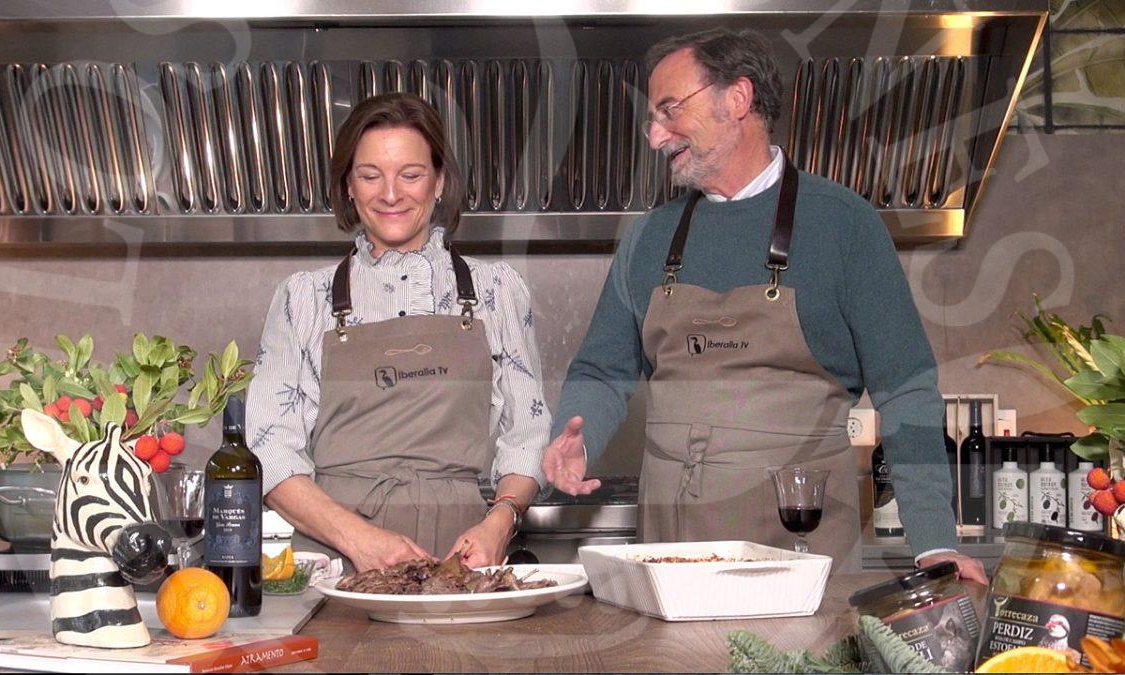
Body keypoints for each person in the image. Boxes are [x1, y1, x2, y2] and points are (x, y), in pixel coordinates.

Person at [541, 28, 987, 582]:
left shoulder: (843, 225)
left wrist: (934, 541)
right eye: (651, 120)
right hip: (671, 555)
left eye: (669, 110)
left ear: (737, 98)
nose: (655, 136)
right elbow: (600, 370)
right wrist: (576, 436)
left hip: (802, 553)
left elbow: (906, 389)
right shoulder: (649, 238)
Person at [248, 93, 549, 573]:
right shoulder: (302, 298)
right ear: (348, 186)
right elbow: (268, 448)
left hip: (462, 562)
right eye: (370, 176)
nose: (391, 194)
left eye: (410, 174)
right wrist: (359, 540)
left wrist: (500, 522)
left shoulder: (497, 290)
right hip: (340, 562)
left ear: (439, 181)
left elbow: (527, 434)